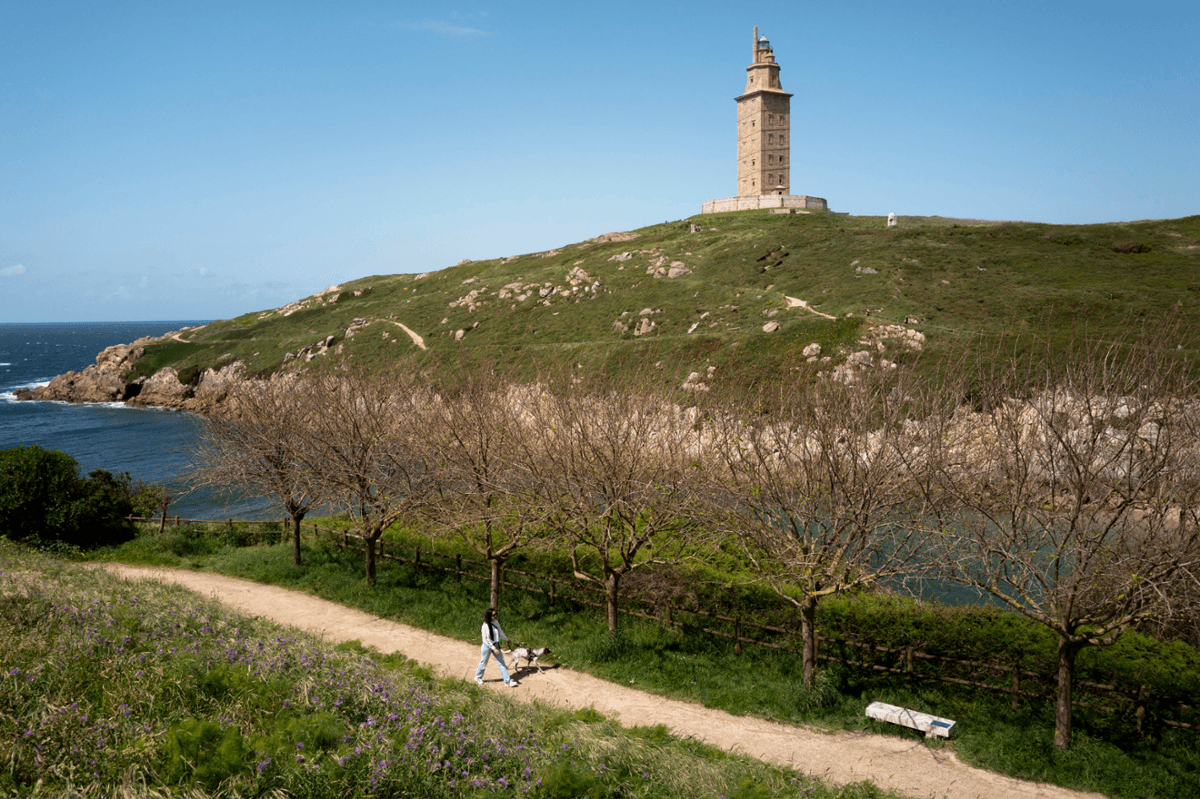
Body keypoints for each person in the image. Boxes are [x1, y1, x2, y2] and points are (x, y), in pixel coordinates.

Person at [474, 607, 517, 687]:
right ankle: (477, 677)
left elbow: (500, 632)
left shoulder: (496, 622)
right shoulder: (485, 625)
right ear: (489, 616)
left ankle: (507, 681)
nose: (496, 616)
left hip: (495, 645)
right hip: (487, 646)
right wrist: (494, 648)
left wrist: (507, 639)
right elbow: (486, 639)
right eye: (494, 615)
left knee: (502, 663)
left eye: (496, 614)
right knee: (484, 662)